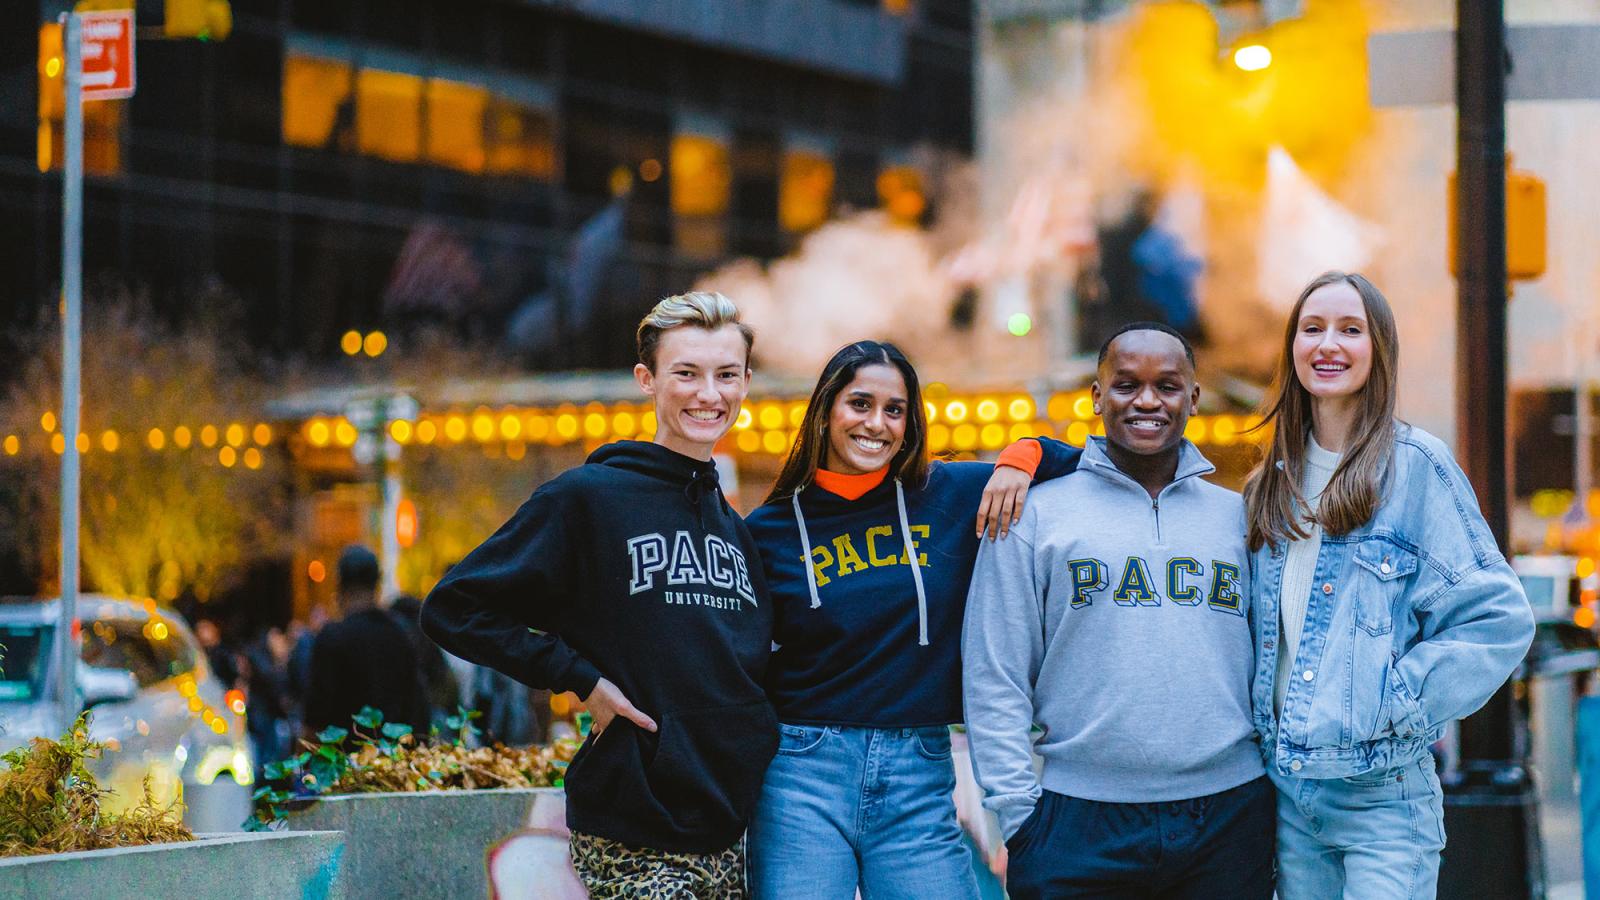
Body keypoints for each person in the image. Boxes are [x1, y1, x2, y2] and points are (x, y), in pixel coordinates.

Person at [422, 292, 774, 899]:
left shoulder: (735, 530)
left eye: (725, 375)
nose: (708, 394)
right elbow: (453, 608)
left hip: (733, 837)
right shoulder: (586, 500)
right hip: (633, 835)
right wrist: (579, 678)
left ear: (745, 382)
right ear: (647, 379)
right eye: (686, 373)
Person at [743, 339, 1082, 899]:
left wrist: (1020, 458)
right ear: (826, 410)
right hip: (801, 771)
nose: (876, 423)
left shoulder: (947, 493)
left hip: (918, 769)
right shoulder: (768, 529)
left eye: (894, 410)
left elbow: (1080, 461)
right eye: (860, 404)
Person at [1242, 271, 1535, 899]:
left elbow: (1499, 619)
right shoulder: (1270, 484)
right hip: (1288, 796)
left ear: (1379, 350)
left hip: (1383, 799)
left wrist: (1395, 704)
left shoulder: (1416, 466)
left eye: (1350, 329)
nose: (1328, 344)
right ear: (1292, 347)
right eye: (1312, 328)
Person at [964, 323, 1272, 899]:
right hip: (1076, 821)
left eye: (1167, 386)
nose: (1147, 401)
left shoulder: (1240, 518)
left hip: (1229, 817)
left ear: (1193, 398)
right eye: (1127, 385)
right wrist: (1019, 818)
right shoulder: (1033, 515)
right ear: (1097, 396)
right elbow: (994, 673)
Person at [303, 545, 429, 736]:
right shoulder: (401, 633)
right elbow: (418, 705)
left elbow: (316, 716)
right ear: (376, 583)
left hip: (344, 753)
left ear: (340, 585)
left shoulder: (333, 638)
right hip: (396, 751)